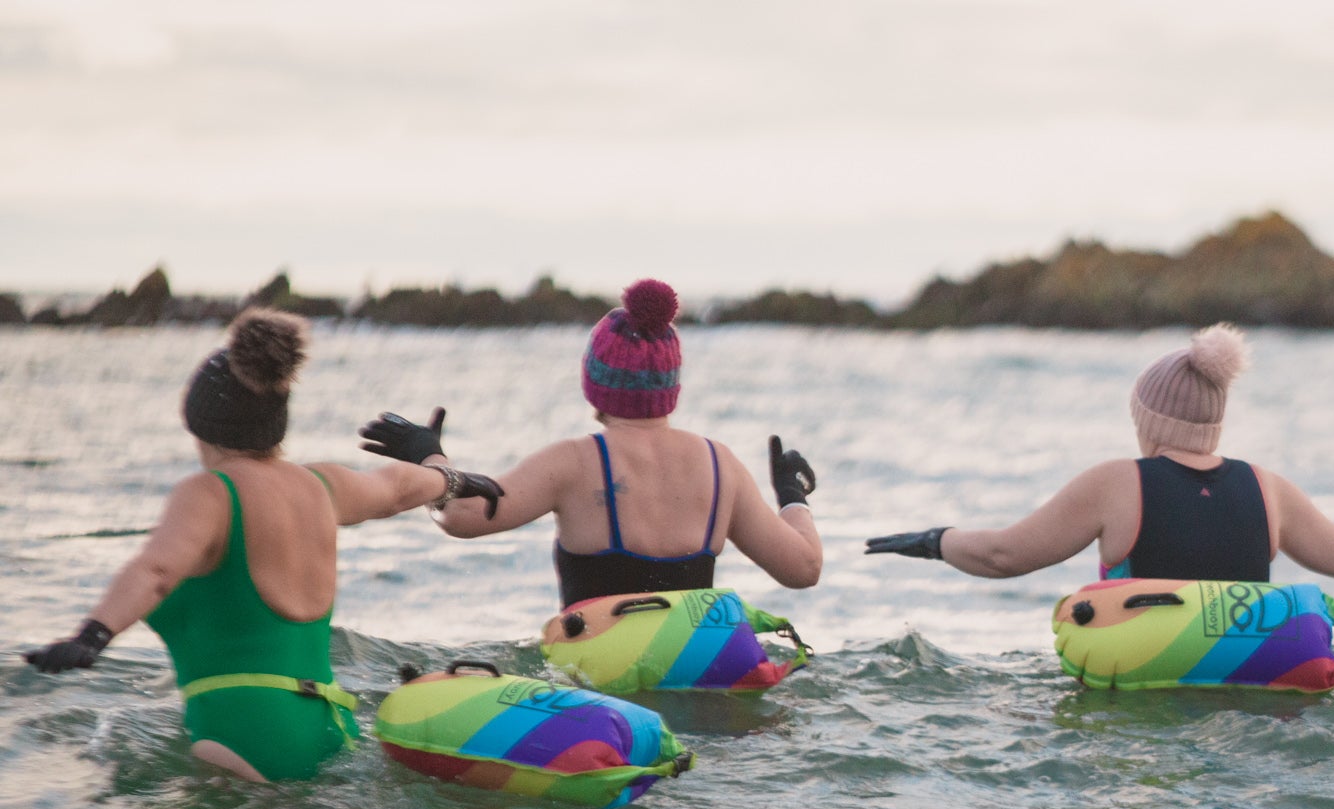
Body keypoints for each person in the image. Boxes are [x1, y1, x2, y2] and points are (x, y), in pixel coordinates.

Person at [21, 309, 504, 782]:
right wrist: (452, 478)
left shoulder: (209, 493)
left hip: (241, 733)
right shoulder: (322, 486)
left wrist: (93, 635)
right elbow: (396, 487)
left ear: (199, 421)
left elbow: (157, 571)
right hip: (330, 728)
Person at [864, 324, 1334, 584]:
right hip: (1250, 689)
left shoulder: (1117, 483)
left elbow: (1002, 556)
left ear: (1147, 421)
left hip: (1146, 687)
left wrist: (932, 540)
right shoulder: (1268, 488)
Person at [363, 279, 823, 607]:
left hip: (605, 691)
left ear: (593, 382)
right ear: (671, 385)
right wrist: (792, 498)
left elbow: (461, 516)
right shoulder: (719, 464)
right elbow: (802, 569)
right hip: (695, 674)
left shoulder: (574, 463)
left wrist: (428, 456)